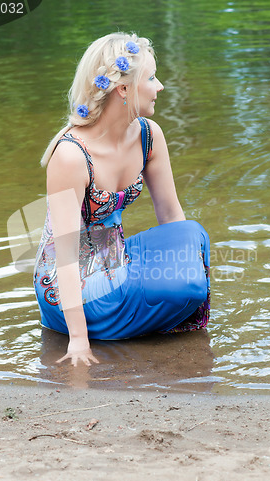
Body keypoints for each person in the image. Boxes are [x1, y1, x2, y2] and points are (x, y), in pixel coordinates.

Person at [33, 32, 210, 368]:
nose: (160, 87)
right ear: (123, 89)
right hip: (69, 286)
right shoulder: (70, 156)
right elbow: (67, 258)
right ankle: (100, 330)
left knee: (194, 238)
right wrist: (79, 342)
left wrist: (188, 269)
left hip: (116, 259)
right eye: (152, 78)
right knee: (181, 285)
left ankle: (148, 323)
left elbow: (172, 217)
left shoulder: (149, 136)